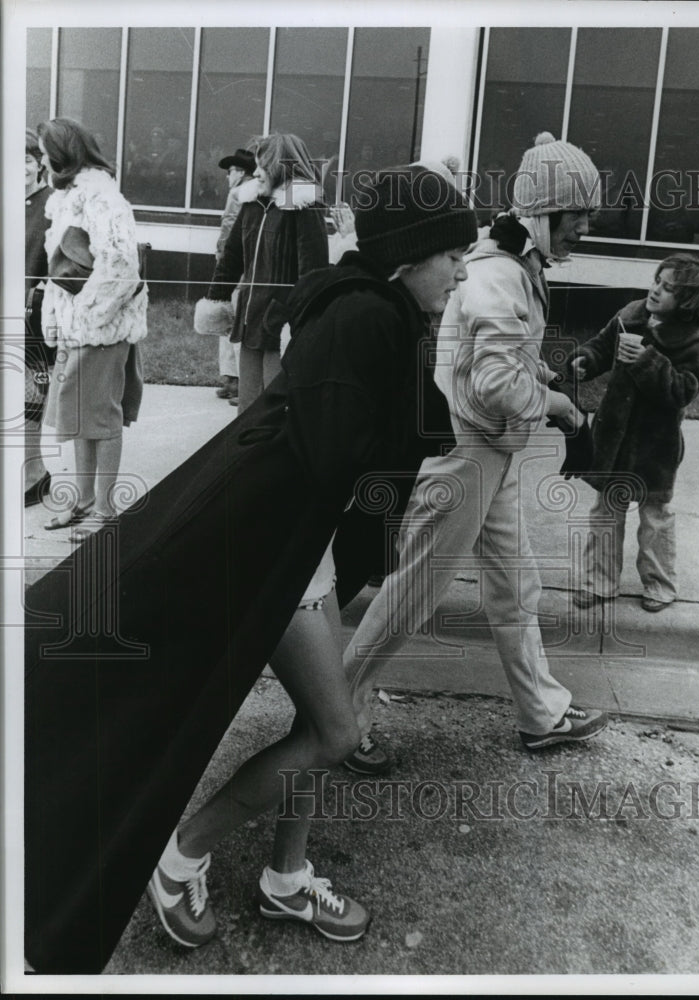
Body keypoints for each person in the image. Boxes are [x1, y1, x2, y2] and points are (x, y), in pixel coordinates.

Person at [24, 165, 477, 972]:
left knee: (321, 720)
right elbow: (337, 452)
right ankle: (185, 854)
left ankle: (286, 874)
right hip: (285, 557)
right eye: (452, 254)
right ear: (410, 257)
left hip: (305, 551)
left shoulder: (368, 305)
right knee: (335, 731)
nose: (462, 270)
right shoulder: (369, 317)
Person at [343, 132, 610, 775]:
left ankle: (542, 714)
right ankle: (336, 718)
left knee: (516, 586)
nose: (583, 231)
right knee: (414, 595)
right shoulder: (499, 271)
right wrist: (563, 409)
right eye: (578, 219)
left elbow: (494, 361)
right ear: (546, 211)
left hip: (490, 449)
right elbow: (493, 381)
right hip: (465, 455)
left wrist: (540, 379)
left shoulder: (512, 264)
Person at [570, 254, 699, 613]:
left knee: (655, 519)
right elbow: (602, 347)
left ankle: (660, 585)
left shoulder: (692, 344)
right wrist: (585, 360)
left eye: (668, 289)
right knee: (605, 511)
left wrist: (646, 360)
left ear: (687, 302)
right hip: (613, 438)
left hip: (655, 447)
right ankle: (599, 582)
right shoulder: (630, 315)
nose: (656, 290)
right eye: (657, 281)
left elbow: (683, 390)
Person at [37, 117, 146, 539]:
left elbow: (121, 264)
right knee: (80, 416)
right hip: (78, 324)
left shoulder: (101, 196)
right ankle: (84, 502)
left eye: (45, 151)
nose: (41, 158)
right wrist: (64, 317)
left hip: (101, 328)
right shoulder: (69, 196)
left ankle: (104, 509)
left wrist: (89, 315)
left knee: (100, 417)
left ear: (61, 153)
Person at [197, 132, 329, 412]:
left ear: (280, 166)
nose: (255, 172)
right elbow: (232, 258)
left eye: (261, 165)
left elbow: (313, 272)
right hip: (251, 319)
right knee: (247, 408)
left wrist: (303, 325)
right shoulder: (252, 203)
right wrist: (215, 300)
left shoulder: (305, 205)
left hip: (282, 325)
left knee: (275, 409)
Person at [24, 127, 55, 507]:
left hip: (33, 315)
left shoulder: (51, 204)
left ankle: (35, 472)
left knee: (30, 395)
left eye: (27, 160)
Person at [213, 147, 256, 406]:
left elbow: (229, 226)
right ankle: (233, 378)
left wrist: (221, 256)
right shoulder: (253, 190)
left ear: (240, 172)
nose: (228, 176)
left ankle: (236, 380)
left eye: (230, 171)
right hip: (244, 261)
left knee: (233, 317)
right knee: (234, 317)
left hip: (235, 262)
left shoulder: (239, 192)